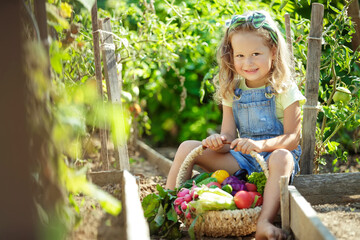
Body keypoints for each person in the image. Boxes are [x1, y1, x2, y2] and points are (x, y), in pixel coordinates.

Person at [165, 10, 305, 240]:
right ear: (230, 56)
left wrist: (260, 145)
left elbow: (292, 139)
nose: (247, 63)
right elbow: (228, 137)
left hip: (274, 162)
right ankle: (169, 211)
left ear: (273, 51)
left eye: (256, 54)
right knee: (186, 147)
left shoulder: (284, 88)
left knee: (283, 157)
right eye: (239, 55)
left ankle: (265, 223)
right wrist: (217, 143)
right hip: (243, 159)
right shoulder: (233, 89)